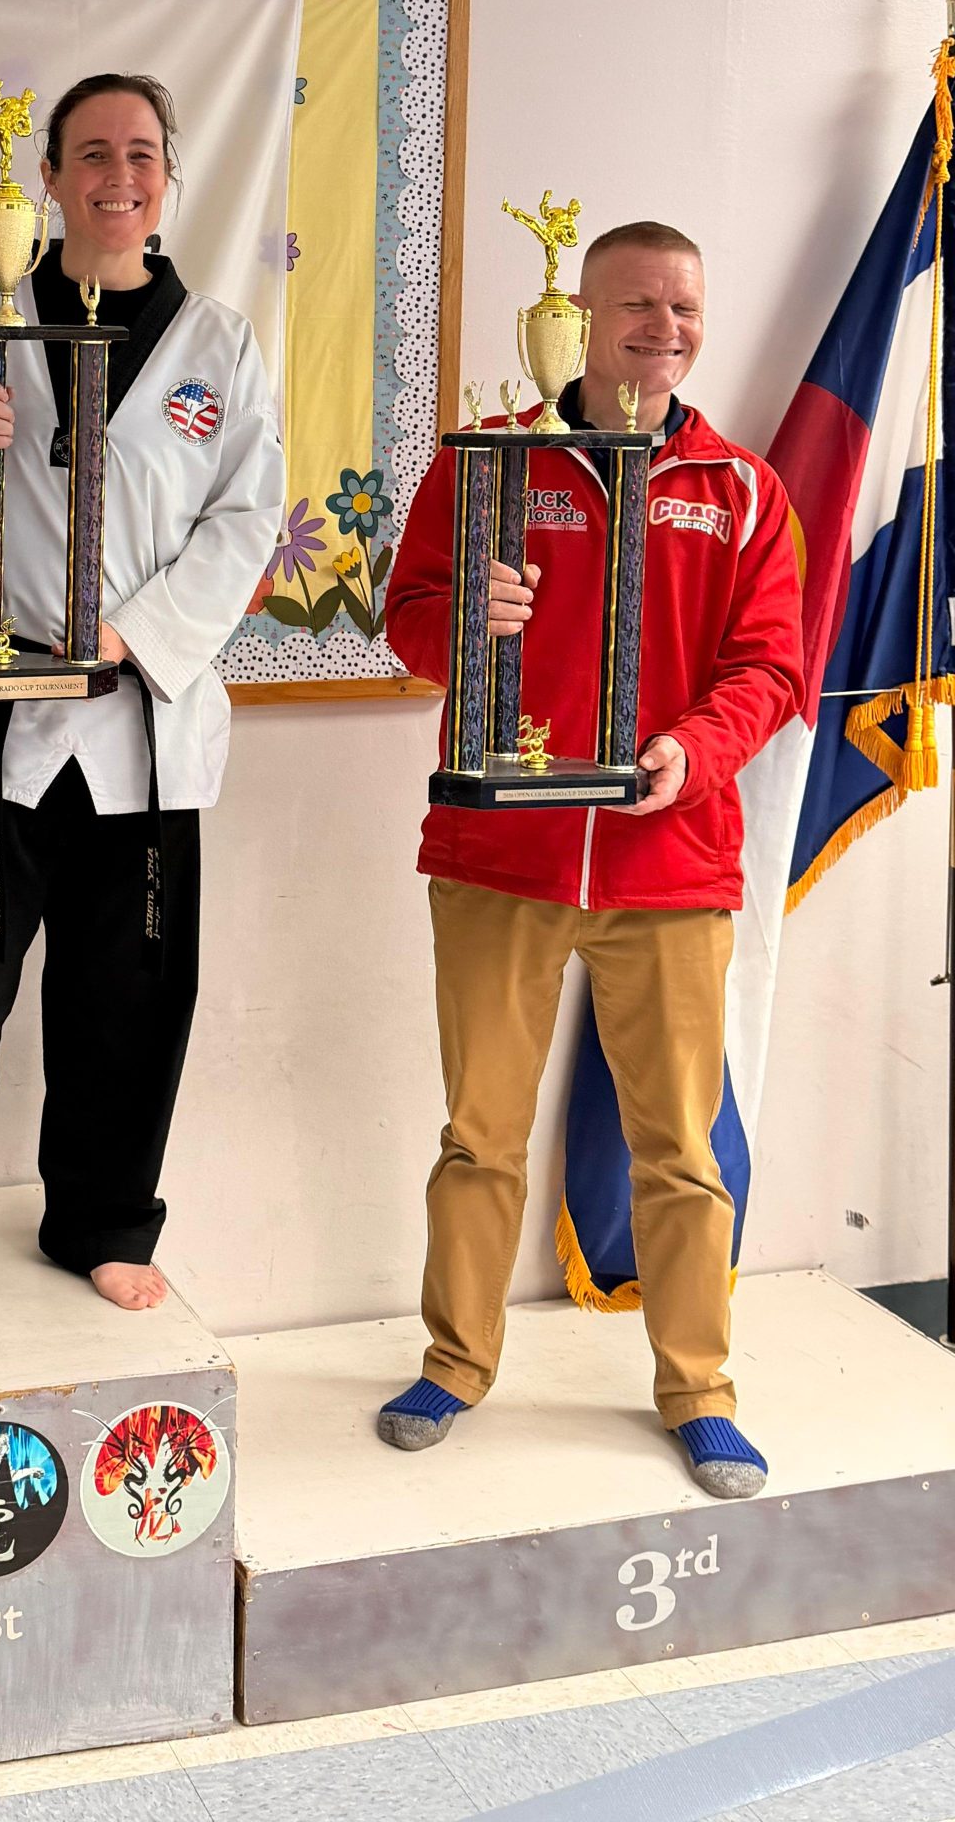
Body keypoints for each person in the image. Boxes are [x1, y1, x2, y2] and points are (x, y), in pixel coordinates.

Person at [0, 73, 284, 1340]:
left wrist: (137, 634)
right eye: (92, 153)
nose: (116, 177)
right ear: (48, 177)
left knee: (127, 1001)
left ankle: (103, 1223)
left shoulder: (219, 345)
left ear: (168, 177)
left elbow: (246, 520)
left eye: (140, 153)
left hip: (143, 719)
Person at [379, 221, 803, 1498]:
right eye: (637, 306)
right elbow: (408, 617)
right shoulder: (492, 462)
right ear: (578, 316)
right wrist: (471, 620)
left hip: (670, 861)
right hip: (500, 858)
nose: (664, 329)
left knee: (681, 1150)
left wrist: (695, 749)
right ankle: (455, 1363)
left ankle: (700, 1389)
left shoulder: (742, 488)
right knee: (478, 1135)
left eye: (685, 308)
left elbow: (774, 667)